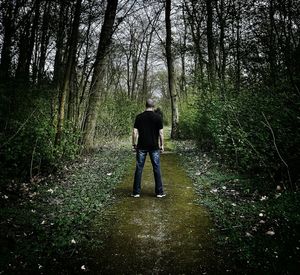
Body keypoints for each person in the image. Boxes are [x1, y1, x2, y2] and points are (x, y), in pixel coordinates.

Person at [131, 99, 166, 198]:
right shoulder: (158, 117)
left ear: (145, 105)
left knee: (139, 168)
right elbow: (161, 133)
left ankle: (136, 192)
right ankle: (159, 192)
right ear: (153, 106)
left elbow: (134, 132)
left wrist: (134, 145)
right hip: (154, 147)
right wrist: (162, 145)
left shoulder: (139, 117)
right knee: (156, 168)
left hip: (141, 146)